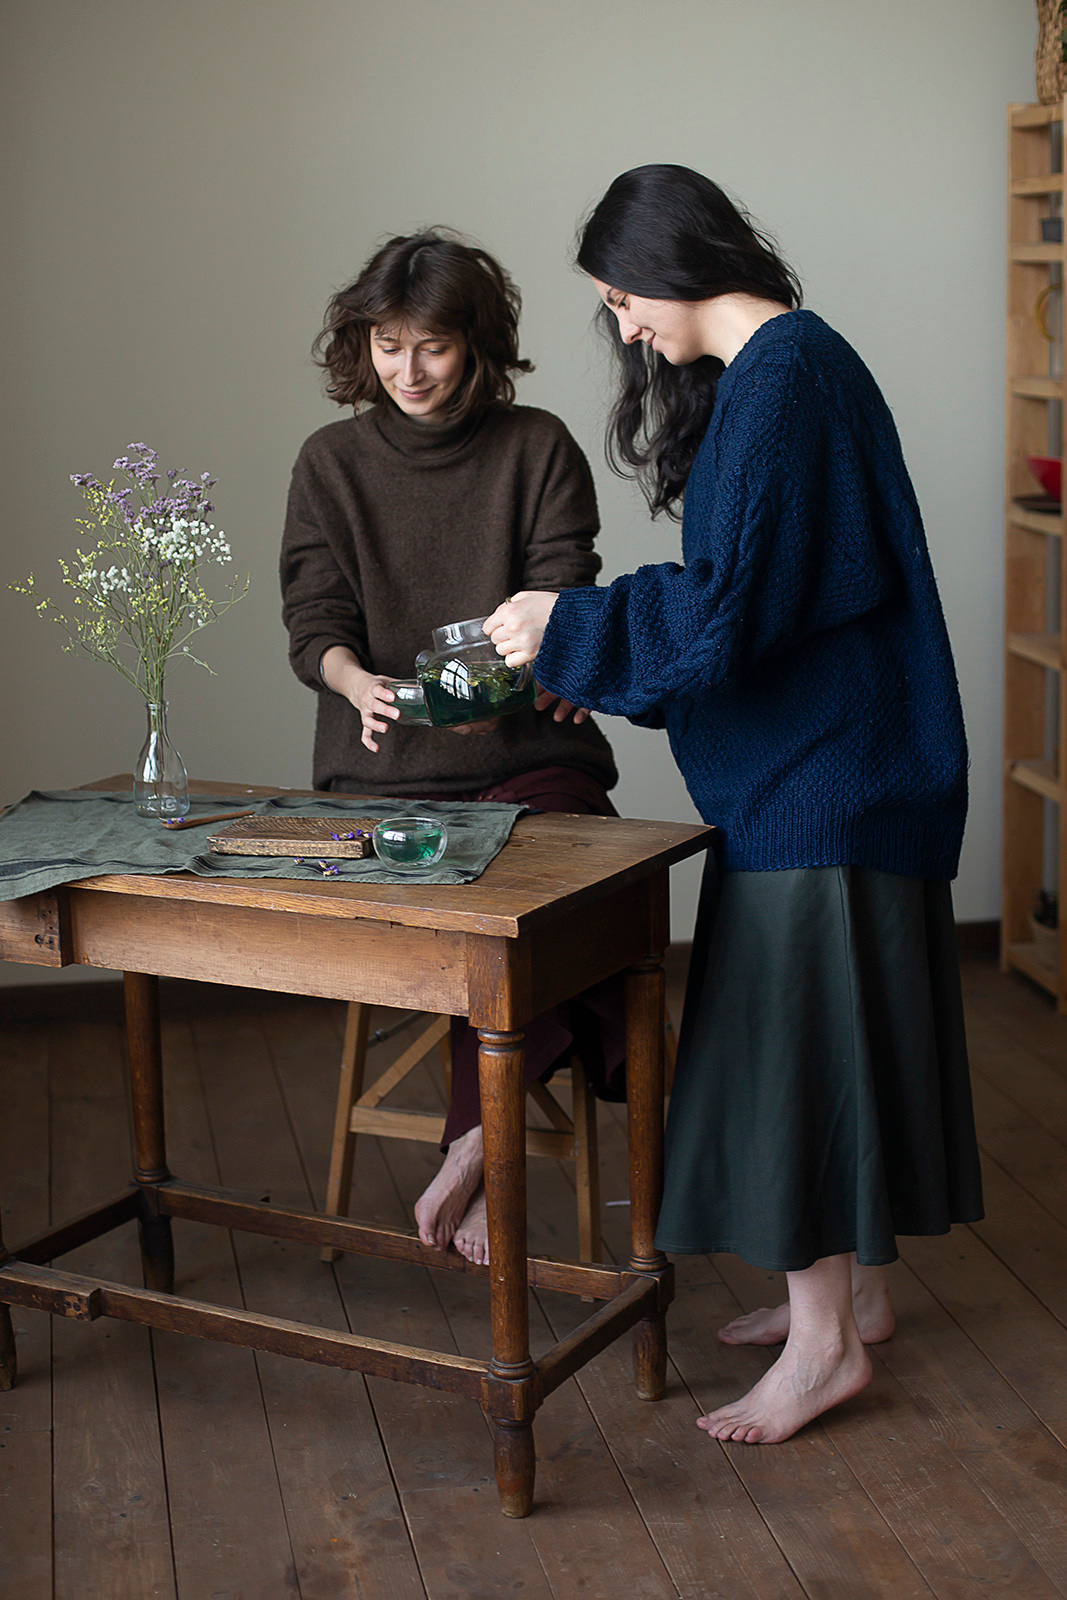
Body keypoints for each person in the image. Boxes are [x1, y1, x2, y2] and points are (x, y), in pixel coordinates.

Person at [485, 164, 983, 1446]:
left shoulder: (780, 381)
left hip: (825, 784)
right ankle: (854, 1300)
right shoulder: (794, 369)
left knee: (798, 1062)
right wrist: (591, 647)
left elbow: (720, 615)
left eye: (617, 298)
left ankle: (820, 1347)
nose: (623, 326)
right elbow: (757, 607)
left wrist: (565, 624)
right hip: (845, 766)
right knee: (841, 1049)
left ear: (663, 262)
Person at [280, 230, 620, 1266]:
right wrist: (357, 683)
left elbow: (562, 593)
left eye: (429, 345)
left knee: (576, 887)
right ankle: (484, 1141)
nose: (408, 370)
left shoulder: (538, 446)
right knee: (483, 915)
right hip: (380, 771)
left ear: (476, 344)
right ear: (361, 344)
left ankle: (473, 1143)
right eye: (387, 345)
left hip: (531, 757)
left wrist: (517, 681)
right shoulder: (328, 463)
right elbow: (314, 620)